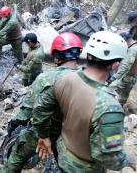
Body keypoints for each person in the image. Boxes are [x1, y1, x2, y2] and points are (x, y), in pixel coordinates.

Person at [34, 31, 136, 172]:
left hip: (63, 152)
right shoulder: (110, 107)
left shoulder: (65, 79)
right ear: (114, 65)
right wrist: (129, 161)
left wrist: (43, 136)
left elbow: (41, 108)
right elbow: (108, 157)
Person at [0, 32, 83, 173]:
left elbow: (27, 111)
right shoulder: (88, 80)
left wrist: (14, 124)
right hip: (72, 138)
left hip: (46, 133)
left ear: (56, 57)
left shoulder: (46, 78)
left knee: (17, 156)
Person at [109, 32, 137, 114]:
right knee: (123, 97)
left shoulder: (133, 49)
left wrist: (115, 77)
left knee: (109, 89)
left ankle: (111, 111)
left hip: (126, 77)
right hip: (132, 77)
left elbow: (126, 65)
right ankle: (119, 111)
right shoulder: (134, 47)